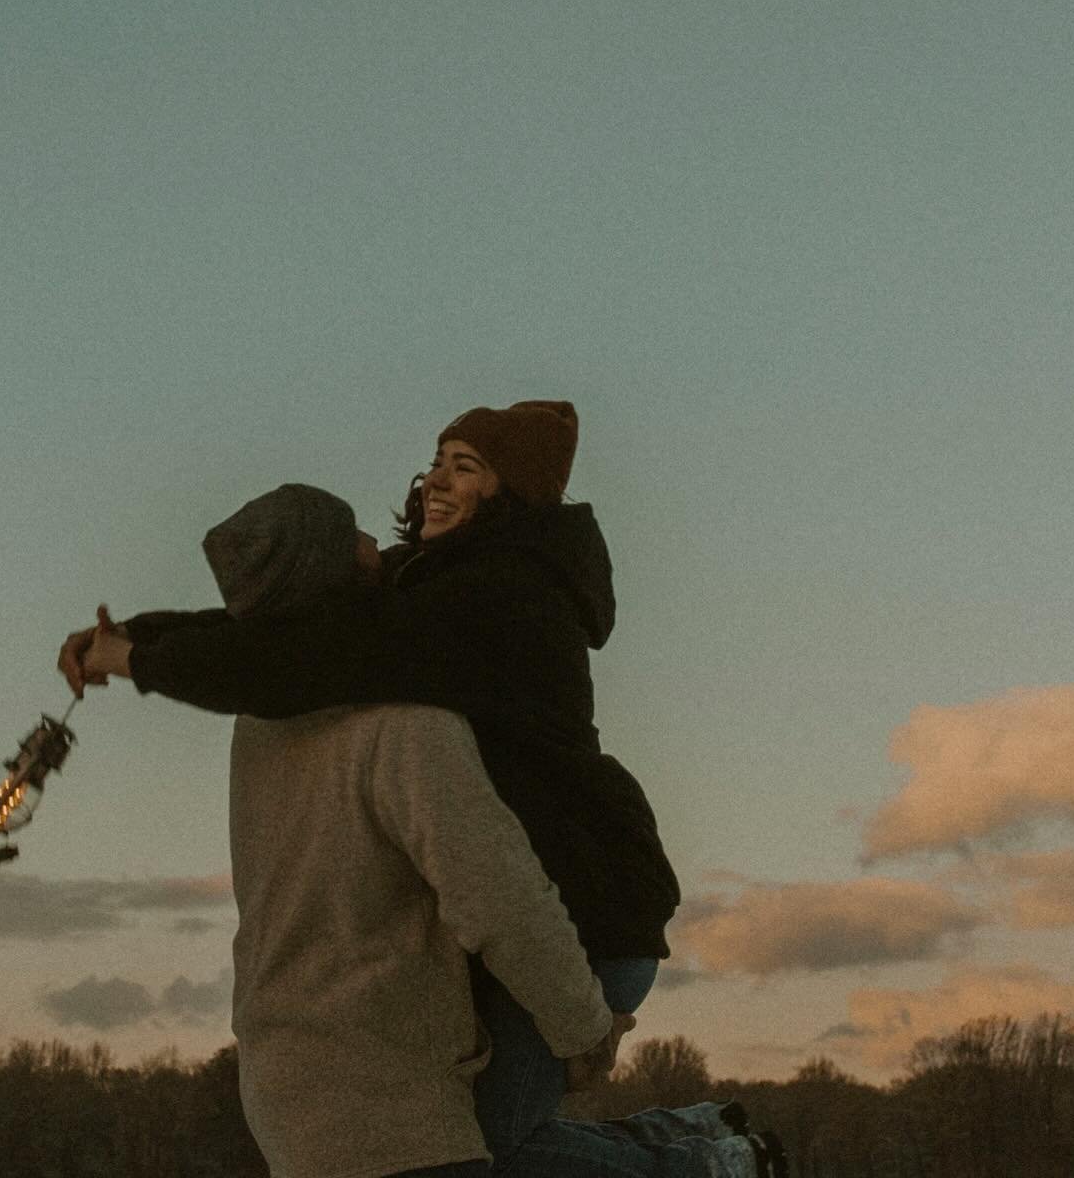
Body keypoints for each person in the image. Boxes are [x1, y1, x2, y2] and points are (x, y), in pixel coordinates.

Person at [63, 408, 786, 1176]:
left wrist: (137, 658)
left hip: (586, 916)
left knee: (456, 1146)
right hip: (524, 922)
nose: (436, 479)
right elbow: (286, 622)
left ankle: (712, 1159)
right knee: (445, 1142)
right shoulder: (427, 592)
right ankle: (709, 1150)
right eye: (438, 459)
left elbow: (299, 649)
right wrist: (137, 638)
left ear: (510, 495)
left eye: (466, 465)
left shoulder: (494, 600)